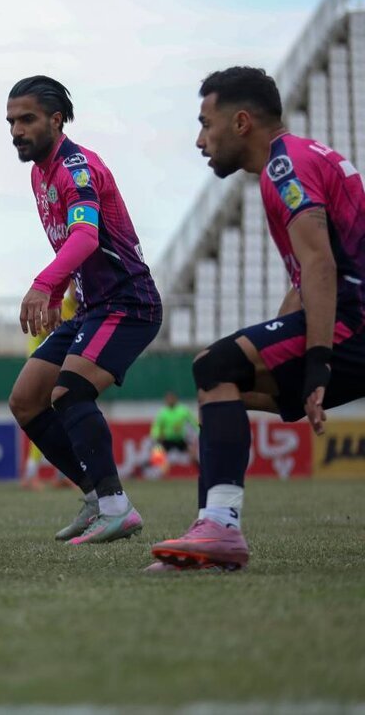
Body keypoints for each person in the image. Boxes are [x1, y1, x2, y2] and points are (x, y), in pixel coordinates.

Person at [149, 66, 365, 572]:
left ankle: (221, 528)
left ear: (241, 122)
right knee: (225, 384)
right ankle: (211, 534)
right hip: (347, 316)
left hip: (353, 321)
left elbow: (320, 266)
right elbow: (305, 275)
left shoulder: (284, 168)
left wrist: (316, 362)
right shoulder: (301, 159)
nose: (200, 140)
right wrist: (278, 346)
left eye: (206, 123)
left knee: (214, 366)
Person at [5, 76, 162, 545]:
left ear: (56, 120)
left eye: (27, 119)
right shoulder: (39, 172)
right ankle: (97, 498)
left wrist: (43, 284)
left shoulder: (76, 167)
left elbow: (86, 237)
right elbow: (70, 242)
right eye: (11, 121)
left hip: (128, 302)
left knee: (69, 392)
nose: (16, 130)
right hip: (92, 306)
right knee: (26, 399)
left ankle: (117, 508)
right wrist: (58, 295)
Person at [21, 282, 78, 490]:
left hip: (59, 366)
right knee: (44, 420)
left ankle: (63, 475)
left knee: (64, 421)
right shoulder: (62, 306)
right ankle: (30, 475)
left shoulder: (81, 308)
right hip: (43, 364)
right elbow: (46, 334)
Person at [146, 390, 198, 474]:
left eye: (171, 398)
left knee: (193, 454)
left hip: (180, 439)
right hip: (168, 439)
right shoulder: (163, 413)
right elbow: (156, 426)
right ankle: (154, 473)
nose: (170, 400)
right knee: (157, 453)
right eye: (168, 399)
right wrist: (156, 435)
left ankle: (201, 471)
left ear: (175, 399)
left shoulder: (183, 410)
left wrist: (199, 431)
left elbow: (193, 422)